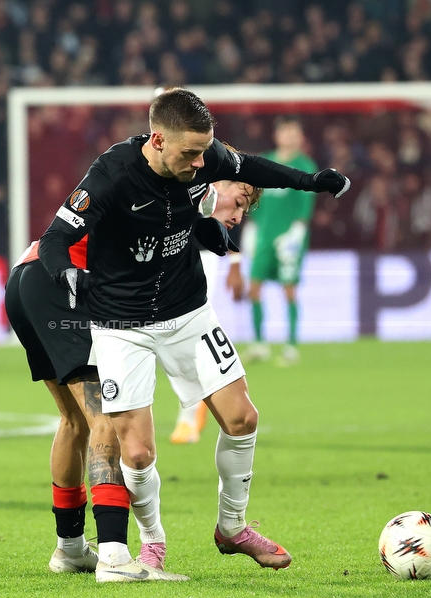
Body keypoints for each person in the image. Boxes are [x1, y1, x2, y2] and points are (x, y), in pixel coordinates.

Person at [37, 88, 349, 572]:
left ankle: (232, 528)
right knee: (137, 454)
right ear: (158, 140)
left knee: (243, 418)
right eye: (190, 153)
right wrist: (65, 273)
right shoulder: (111, 175)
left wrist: (311, 181)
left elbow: (251, 167)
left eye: (206, 150)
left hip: (188, 312)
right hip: (122, 324)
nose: (202, 162)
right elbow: (58, 237)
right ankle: (153, 542)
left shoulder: (205, 157)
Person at [5, 237, 187, 582]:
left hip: (24, 279)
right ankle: (115, 555)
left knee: (74, 420)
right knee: (106, 415)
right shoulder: (161, 197)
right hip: (61, 283)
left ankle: (71, 548)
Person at [170, 181, 259, 445]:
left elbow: (232, 220)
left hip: (201, 257)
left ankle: (189, 417)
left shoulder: (228, 181)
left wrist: (234, 261)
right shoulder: (189, 172)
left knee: (186, 337)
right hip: (163, 257)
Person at [245, 117, 319, 366]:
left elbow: (306, 203)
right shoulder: (264, 162)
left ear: (300, 137)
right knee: (254, 288)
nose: (289, 137)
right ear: (277, 135)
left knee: (289, 289)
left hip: (289, 240)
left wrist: (298, 230)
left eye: (294, 132)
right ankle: (259, 344)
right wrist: (251, 228)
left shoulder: (304, 165)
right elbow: (254, 198)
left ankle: (291, 346)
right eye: (285, 132)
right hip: (264, 237)